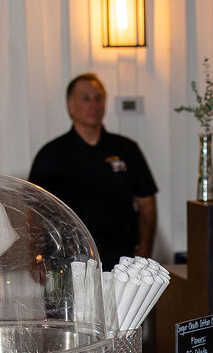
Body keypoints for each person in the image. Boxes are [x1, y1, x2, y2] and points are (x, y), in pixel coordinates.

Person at [29, 73, 157, 269]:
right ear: (70, 106)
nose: (93, 105)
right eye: (85, 98)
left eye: (98, 99)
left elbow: (146, 204)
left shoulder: (126, 149)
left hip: (122, 262)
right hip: (68, 263)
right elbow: (35, 214)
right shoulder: (51, 155)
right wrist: (37, 260)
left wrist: (145, 252)